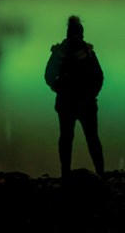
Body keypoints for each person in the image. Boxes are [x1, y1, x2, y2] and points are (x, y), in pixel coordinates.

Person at [44, 15, 105, 179]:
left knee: (66, 139)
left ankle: (65, 174)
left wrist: (60, 89)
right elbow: (99, 77)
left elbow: (49, 76)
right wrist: (91, 94)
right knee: (92, 139)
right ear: (81, 33)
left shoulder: (60, 52)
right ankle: (100, 173)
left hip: (66, 103)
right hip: (87, 104)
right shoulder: (88, 53)